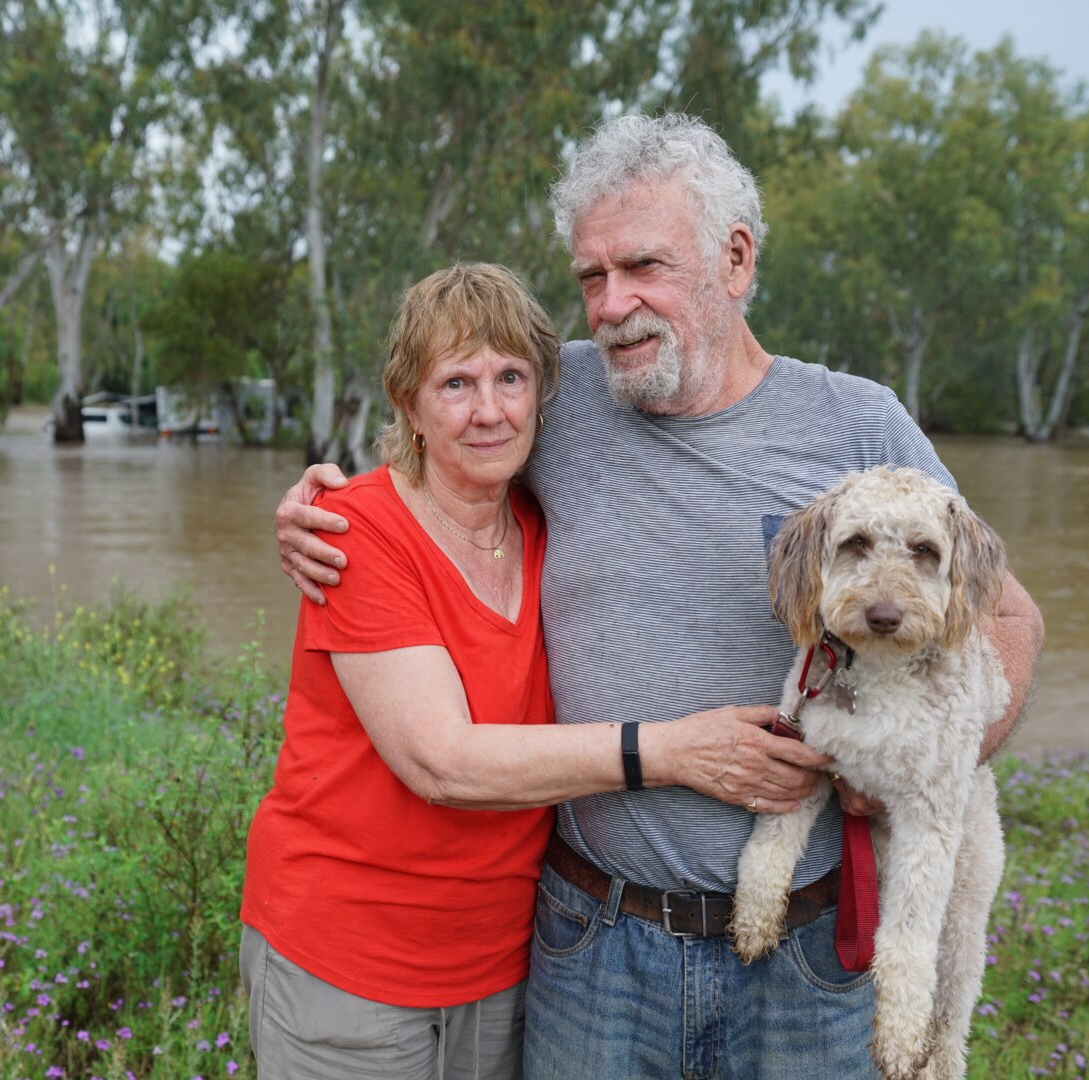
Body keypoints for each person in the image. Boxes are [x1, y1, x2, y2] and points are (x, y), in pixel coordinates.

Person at [276, 115, 1045, 1078]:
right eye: (591, 277)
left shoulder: (857, 423)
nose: (612, 305)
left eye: (643, 266)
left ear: (735, 257)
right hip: (594, 941)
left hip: (803, 957)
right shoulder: (562, 399)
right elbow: (448, 453)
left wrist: (937, 759)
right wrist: (326, 501)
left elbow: (1008, 614)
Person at [241, 261, 829, 1080]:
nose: (490, 410)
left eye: (511, 377)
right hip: (351, 964)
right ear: (407, 403)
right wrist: (669, 752)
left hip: (507, 962)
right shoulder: (352, 530)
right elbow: (439, 761)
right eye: (455, 384)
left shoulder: (541, 524)